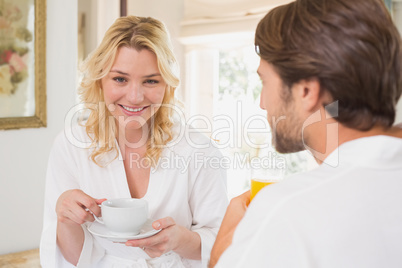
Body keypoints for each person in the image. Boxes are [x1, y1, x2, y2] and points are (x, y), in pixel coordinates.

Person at [210, 0, 402, 267]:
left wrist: (221, 252)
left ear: (306, 91)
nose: (262, 102)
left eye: (265, 82)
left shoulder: (286, 210)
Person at [40, 16, 228, 268]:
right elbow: (76, 259)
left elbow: (223, 245)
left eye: (150, 81)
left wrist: (180, 240)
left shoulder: (199, 150)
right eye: (120, 79)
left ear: (167, 85)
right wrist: (64, 218)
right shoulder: (71, 145)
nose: (135, 97)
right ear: (100, 80)